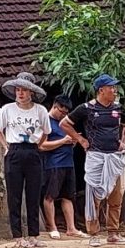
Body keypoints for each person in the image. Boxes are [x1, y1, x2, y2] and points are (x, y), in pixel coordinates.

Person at [61, 74, 125, 247]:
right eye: (111, 88)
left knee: (116, 195)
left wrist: (124, 141)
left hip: (114, 157)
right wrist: (81, 140)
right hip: (96, 156)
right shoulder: (86, 108)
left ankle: (113, 232)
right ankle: (93, 233)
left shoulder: (118, 108)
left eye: (115, 87)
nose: (114, 91)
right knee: (94, 196)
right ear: (101, 90)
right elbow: (65, 123)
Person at [0, 72, 52, 247]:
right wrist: (5, 146)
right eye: (18, 90)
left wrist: (39, 145)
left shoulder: (40, 110)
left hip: (32, 151)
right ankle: (17, 236)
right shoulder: (7, 109)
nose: (20, 93)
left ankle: (34, 235)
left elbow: (46, 132)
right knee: (14, 195)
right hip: (14, 150)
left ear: (31, 93)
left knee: (33, 194)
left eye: (24, 90)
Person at [38, 95, 85, 240]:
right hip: (53, 164)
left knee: (69, 196)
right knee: (50, 196)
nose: (63, 115)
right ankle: (52, 227)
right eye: (62, 112)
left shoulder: (65, 123)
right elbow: (41, 146)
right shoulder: (45, 121)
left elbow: (68, 139)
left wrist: (72, 141)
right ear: (55, 106)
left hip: (68, 163)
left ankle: (71, 228)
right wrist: (62, 141)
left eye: (66, 113)